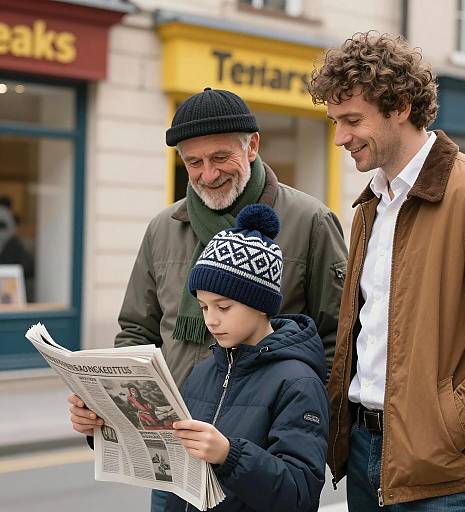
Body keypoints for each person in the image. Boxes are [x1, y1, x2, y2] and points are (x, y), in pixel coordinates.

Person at [68, 88, 347, 510]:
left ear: (252, 145)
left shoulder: (310, 221)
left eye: (220, 158)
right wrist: (107, 407)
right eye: (193, 163)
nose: (207, 174)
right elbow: (137, 333)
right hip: (176, 457)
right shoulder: (163, 227)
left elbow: (337, 340)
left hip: (257, 456)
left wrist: (302, 424)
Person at [308, 31, 465, 511]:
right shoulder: (369, 206)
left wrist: (451, 424)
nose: (340, 137)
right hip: (363, 450)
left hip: (444, 468)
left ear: (399, 105)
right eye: (335, 121)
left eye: (352, 120)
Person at [169, 203, 328, 511]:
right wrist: (103, 426)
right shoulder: (203, 371)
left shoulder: (299, 382)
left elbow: (299, 494)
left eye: (223, 307)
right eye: (203, 307)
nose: (211, 320)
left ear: (261, 304)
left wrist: (229, 455)